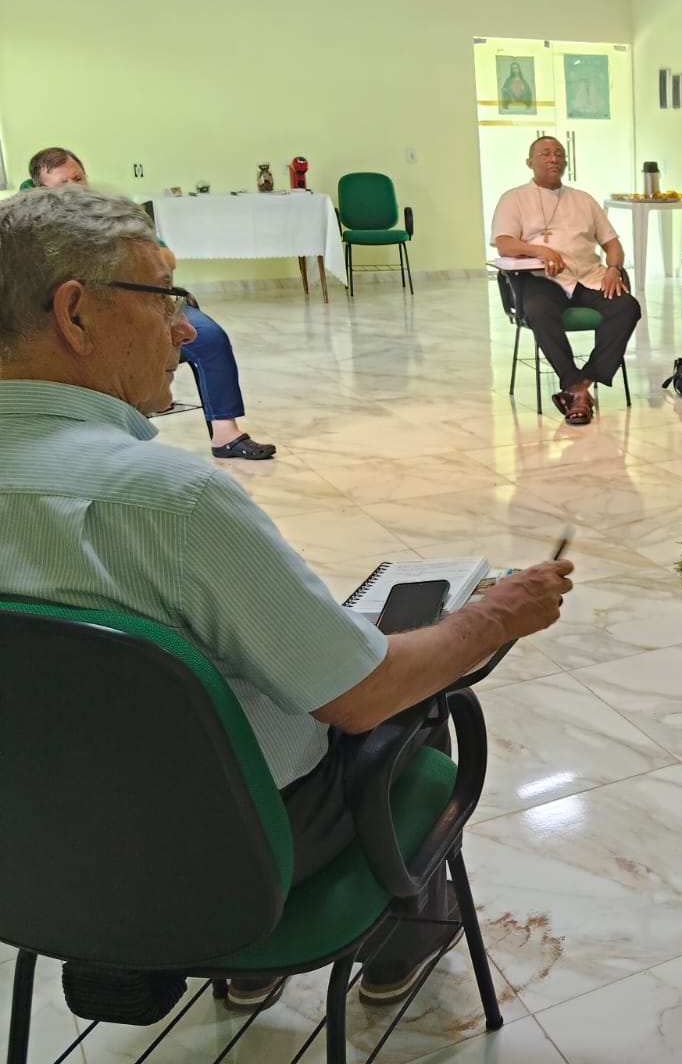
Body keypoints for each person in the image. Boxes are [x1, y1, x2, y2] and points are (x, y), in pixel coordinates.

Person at [0, 185, 576, 1009]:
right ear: (75, 313)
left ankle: (244, 971)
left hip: (27, 857)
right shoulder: (171, 501)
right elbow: (361, 695)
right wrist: (496, 614)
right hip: (225, 855)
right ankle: (398, 946)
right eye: (165, 297)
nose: (185, 329)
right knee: (416, 701)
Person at [28, 147, 279, 460]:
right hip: (93, 321)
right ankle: (122, 445)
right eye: (63, 184)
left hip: (151, 305)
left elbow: (166, 258)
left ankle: (225, 433)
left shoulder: (113, 215)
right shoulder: (35, 233)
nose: (75, 188)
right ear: (42, 191)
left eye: (78, 178)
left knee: (209, 337)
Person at [491, 136, 640, 426]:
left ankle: (580, 385)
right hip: (541, 279)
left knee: (627, 307)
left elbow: (612, 244)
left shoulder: (583, 200)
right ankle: (575, 387)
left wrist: (614, 268)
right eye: (545, 154)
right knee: (539, 311)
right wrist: (540, 250)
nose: (554, 159)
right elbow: (505, 244)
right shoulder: (514, 198)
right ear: (529, 162)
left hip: (588, 276)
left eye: (559, 154)